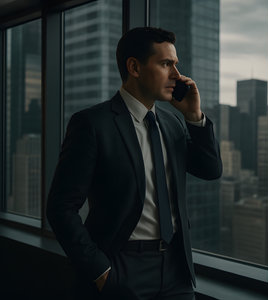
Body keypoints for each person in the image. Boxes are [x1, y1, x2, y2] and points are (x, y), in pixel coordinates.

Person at [46, 27, 222, 300]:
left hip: (176, 269)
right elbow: (61, 207)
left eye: (175, 64)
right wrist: (101, 271)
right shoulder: (93, 124)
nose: (176, 74)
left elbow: (211, 170)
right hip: (122, 266)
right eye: (166, 64)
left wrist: (194, 115)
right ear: (134, 67)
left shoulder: (172, 122)